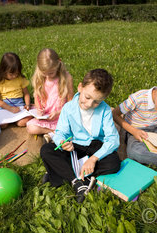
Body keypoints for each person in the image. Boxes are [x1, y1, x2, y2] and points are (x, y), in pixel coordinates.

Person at [40, 69, 121, 203]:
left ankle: (60, 173)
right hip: (75, 146)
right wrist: (62, 142)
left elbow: (112, 139)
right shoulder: (68, 108)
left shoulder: (105, 110)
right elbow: (60, 132)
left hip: (95, 146)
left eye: (97, 102)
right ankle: (78, 182)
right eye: (87, 97)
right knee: (46, 150)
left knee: (114, 162)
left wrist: (94, 158)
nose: (90, 104)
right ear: (80, 87)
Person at [26, 48, 74, 142]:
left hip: (61, 115)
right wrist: (39, 109)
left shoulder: (66, 78)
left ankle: (56, 133)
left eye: (51, 73)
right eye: (44, 73)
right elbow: (37, 97)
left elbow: (70, 102)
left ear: (59, 63)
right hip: (46, 116)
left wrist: (58, 112)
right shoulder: (40, 78)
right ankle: (53, 132)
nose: (47, 76)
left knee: (74, 125)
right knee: (30, 128)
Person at [0, 52, 32, 128]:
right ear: (3, 70)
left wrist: (27, 104)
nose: (15, 76)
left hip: (19, 105)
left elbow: (26, 94)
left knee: (22, 123)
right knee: (2, 124)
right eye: (11, 74)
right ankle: (9, 120)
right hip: (5, 105)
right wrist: (10, 108)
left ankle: (16, 120)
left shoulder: (20, 78)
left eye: (17, 73)